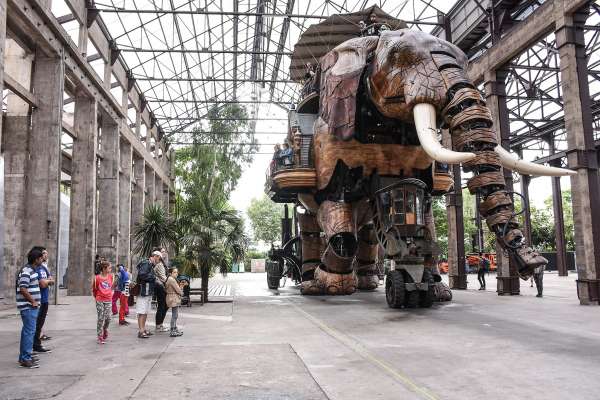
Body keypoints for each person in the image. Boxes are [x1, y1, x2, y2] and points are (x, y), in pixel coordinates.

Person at [16, 248, 44, 368]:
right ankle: (26, 358)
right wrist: (33, 301)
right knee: (29, 332)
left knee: (27, 332)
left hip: (31, 307)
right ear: (36, 259)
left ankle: (24, 356)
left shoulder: (32, 271)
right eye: (41, 258)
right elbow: (23, 288)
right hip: (28, 307)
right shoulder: (27, 271)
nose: (42, 260)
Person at [32, 246, 54, 353]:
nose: (45, 255)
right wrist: (47, 281)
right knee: (35, 324)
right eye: (43, 253)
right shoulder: (36, 269)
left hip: (45, 300)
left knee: (40, 323)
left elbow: (50, 279)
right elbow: (42, 283)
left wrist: (47, 281)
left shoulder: (44, 267)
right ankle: (33, 345)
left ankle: (37, 344)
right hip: (38, 300)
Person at [136, 252, 159, 339]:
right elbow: (142, 275)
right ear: (154, 257)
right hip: (143, 291)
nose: (158, 261)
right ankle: (141, 331)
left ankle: (143, 329)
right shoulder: (146, 263)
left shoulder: (150, 264)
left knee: (145, 311)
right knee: (142, 311)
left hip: (147, 291)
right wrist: (153, 277)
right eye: (158, 258)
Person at [92, 260, 113, 344]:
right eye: (109, 268)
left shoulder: (111, 277)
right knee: (101, 317)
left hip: (108, 299)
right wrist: (97, 297)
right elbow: (94, 289)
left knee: (108, 318)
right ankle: (99, 336)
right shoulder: (97, 278)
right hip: (100, 300)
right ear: (104, 269)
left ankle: (105, 329)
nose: (110, 269)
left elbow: (112, 287)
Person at [153, 249, 170, 333]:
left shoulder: (160, 264)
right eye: (162, 252)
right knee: (162, 306)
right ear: (159, 256)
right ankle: (159, 325)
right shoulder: (159, 265)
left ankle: (160, 324)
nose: (164, 253)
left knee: (164, 306)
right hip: (160, 287)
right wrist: (170, 282)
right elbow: (163, 278)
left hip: (160, 287)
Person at [165, 267, 184, 337]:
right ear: (170, 273)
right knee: (175, 315)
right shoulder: (171, 279)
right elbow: (178, 290)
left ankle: (174, 329)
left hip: (172, 297)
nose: (176, 274)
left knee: (175, 314)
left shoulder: (170, 279)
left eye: (177, 272)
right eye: (174, 272)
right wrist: (181, 291)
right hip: (173, 298)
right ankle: (172, 330)